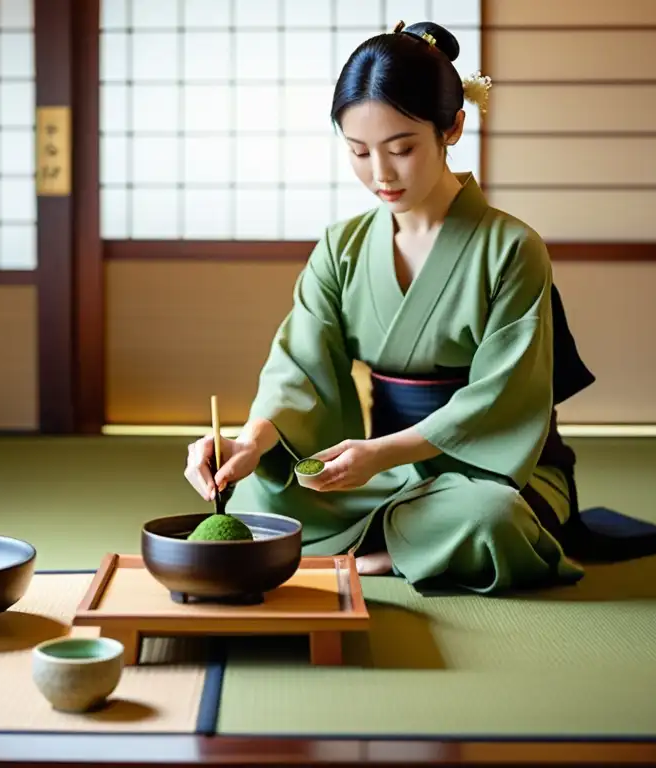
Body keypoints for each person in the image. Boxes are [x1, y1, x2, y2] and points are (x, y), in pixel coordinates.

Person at [182, 20, 598, 594]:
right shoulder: (342, 247)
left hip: (492, 469)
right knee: (265, 488)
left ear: (451, 128)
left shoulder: (512, 249)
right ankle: (398, 545)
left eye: (401, 149)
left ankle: (369, 554)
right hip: (382, 469)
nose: (380, 174)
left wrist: (382, 454)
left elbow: (502, 398)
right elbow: (297, 367)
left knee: (489, 518)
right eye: (358, 151)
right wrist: (249, 441)